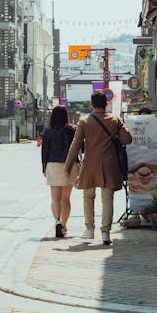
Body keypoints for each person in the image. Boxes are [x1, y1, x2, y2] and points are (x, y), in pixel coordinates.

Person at [64, 92, 133, 245]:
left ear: (91, 104)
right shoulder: (115, 120)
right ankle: (106, 233)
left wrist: (68, 165)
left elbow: (75, 145)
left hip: (89, 165)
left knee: (88, 197)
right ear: (106, 104)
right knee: (107, 198)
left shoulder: (84, 121)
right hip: (109, 164)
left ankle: (89, 230)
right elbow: (127, 139)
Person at [40, 106, 78, 238]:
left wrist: (44, 167)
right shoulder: (71, 130)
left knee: (55, 198)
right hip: (69, 165)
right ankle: (64, 225)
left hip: (52, 164)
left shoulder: (48, 131)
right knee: (66, 198)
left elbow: (44, 150)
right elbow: (78, 148)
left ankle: (57, 221)